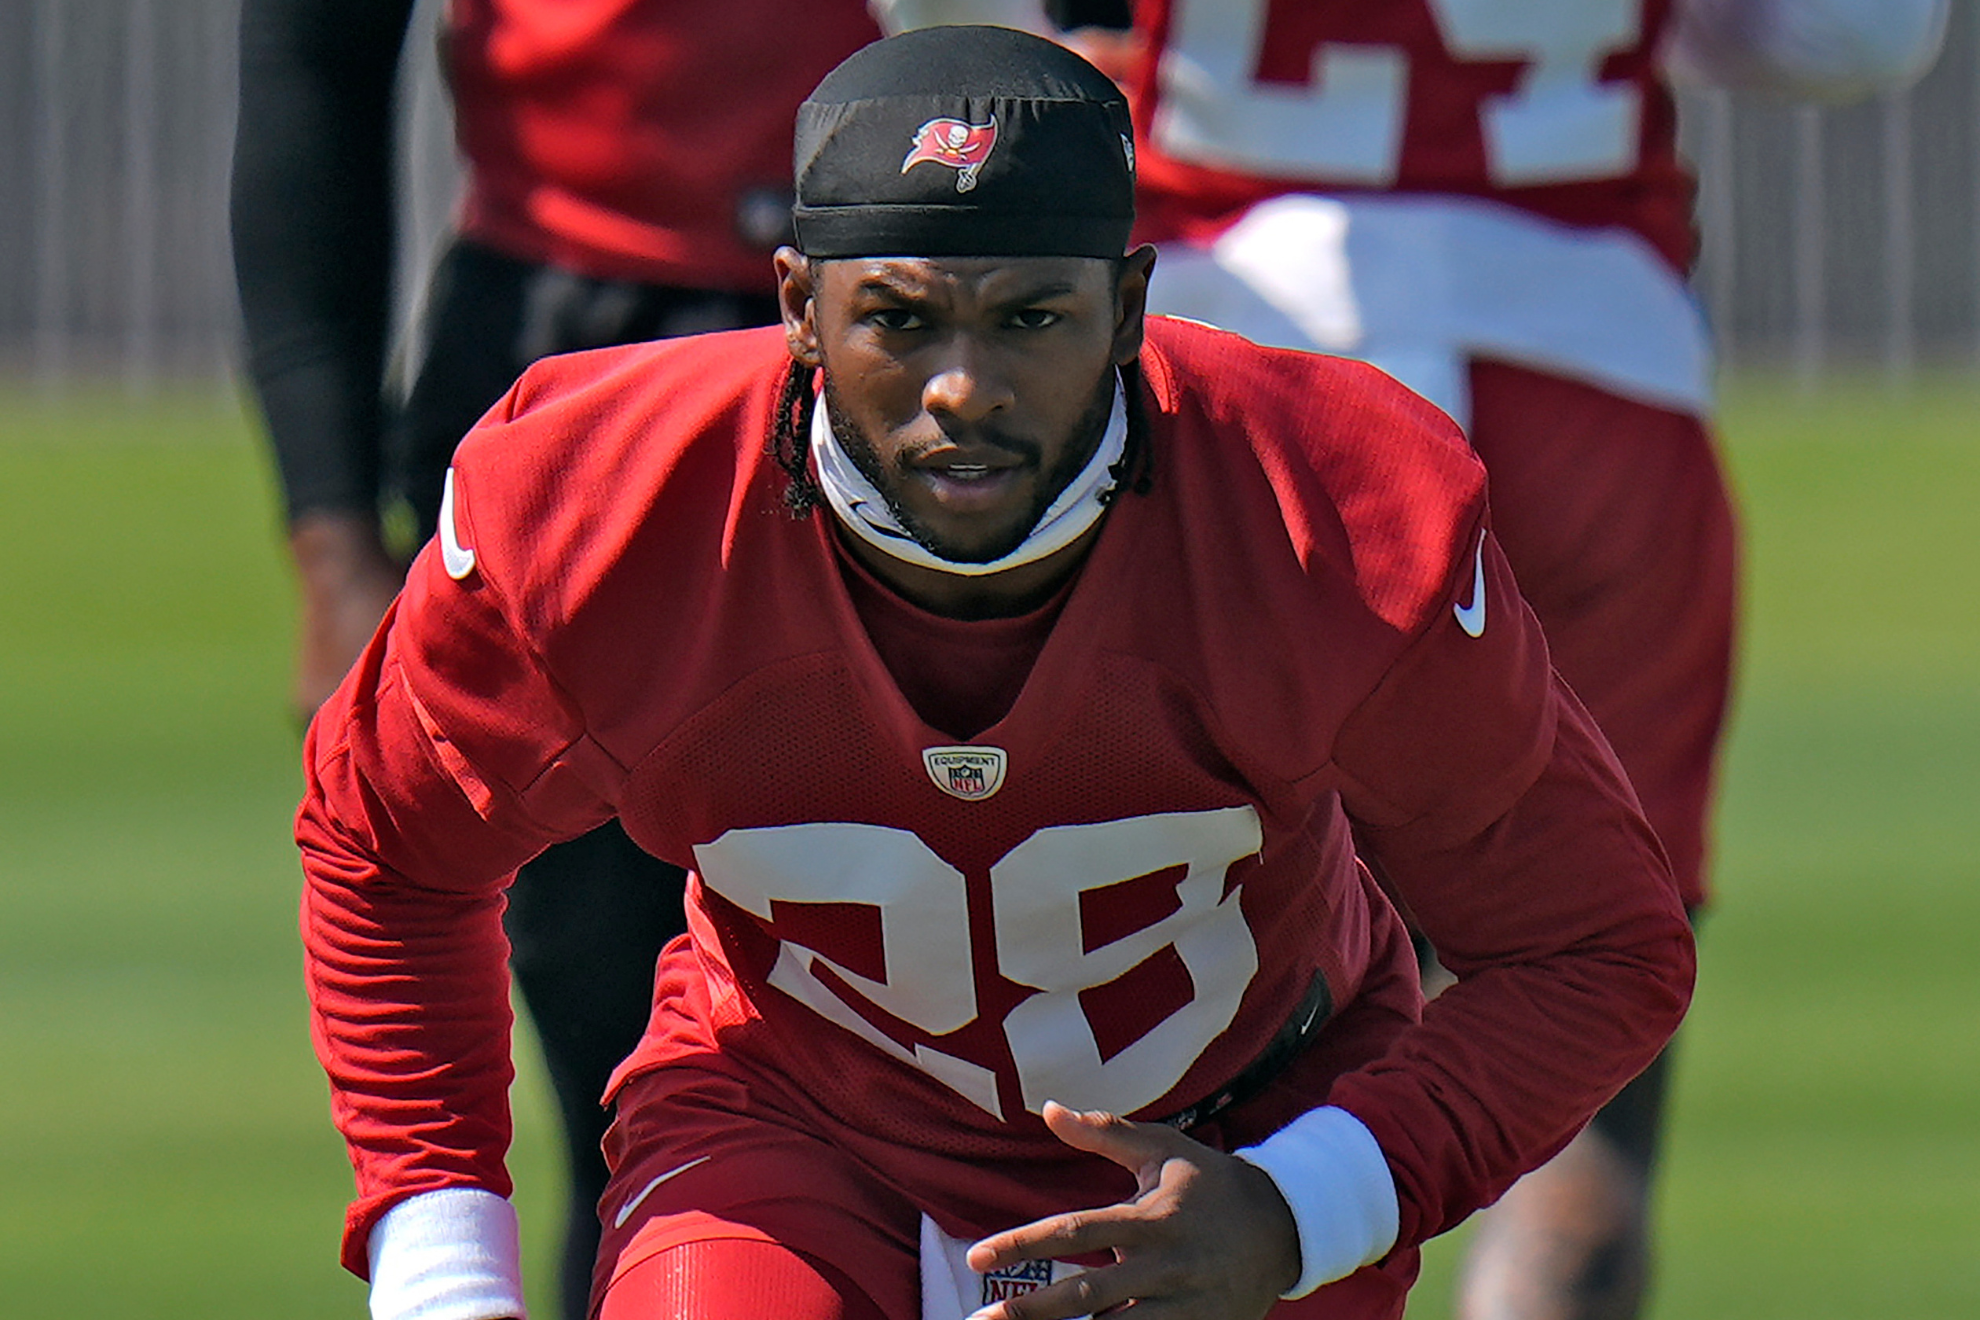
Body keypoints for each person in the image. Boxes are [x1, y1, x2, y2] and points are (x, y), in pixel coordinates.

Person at [296, 26, 1694, 1320]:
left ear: (1128, 308)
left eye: (1030, 319)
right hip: (794, 1124)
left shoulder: (1326, 511)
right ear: (798, 307)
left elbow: (1595, 945)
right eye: (901, 319)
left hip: (1233, 1134)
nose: (963, 388)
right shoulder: (600, 505)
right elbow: (385, 852)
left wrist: (1300, 1203)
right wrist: (444, 1279)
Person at [869, 3, 1948, 1317]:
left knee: (1156, 1021)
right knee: (1578, 1003)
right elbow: (1855, 35)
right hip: (1588, 373)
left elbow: (951, 49)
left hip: (1244, 365)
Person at [230, 4, 880, 1316]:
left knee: (1000, 1048)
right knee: (632, 1094)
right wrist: (333, 540)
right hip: (583, 334)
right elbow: (313, 77)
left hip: (940, 344)